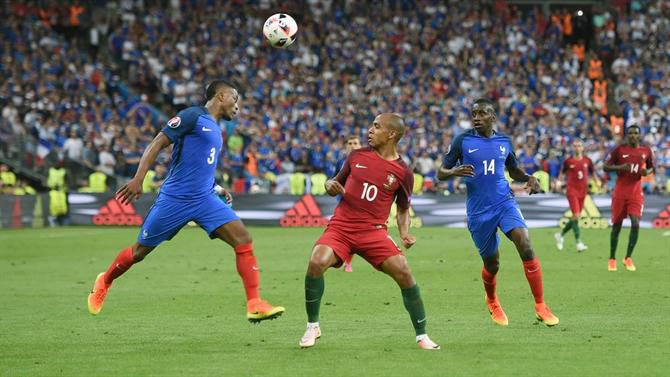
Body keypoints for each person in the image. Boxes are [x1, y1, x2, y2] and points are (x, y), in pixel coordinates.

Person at [87, 79, 285, 322]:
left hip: (204, 199)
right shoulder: (192, 116)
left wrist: (217, 188)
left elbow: (200, 166)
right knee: (139, 252)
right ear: (221, 96)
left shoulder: (216, 129)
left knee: (243, 239)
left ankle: (254, 303)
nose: (237, 106)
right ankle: (105, 280)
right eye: (235, 99)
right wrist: (138, 178)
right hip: (175, 199)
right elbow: (157, 142)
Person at [299, 113, 440, 350]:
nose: (370, 131)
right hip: (341, 227)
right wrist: (328, 185)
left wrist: (404, 233)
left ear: (391, 134)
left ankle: (422, 336)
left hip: (373, 232)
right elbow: (334, 185)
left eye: (376, 127)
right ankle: (313, 326)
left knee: (404, 272)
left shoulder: (403, 172)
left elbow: (403, 208)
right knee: (316, 262)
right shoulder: (357, 156)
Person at [438, 98, 559, 327]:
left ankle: (541, 305)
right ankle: (492, 299)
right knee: (492, 264)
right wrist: (453, 171)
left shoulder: (504, 141)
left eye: (482, 113)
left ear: (492, 117)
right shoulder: (462, 141)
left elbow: (513, 171)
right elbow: (440, 173)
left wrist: (530, 178)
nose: (476, 117)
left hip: (504, 202)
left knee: (525, 244)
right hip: (478, 212)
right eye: (474, 113)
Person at [603, 125, 654, 272]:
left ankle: (628, 257)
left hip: (636, 193)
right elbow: (606, 167)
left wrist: (646, 171)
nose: (632, 136)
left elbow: (651, 168)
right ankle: (612, 258)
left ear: (639, 135)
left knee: (636, 223)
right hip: (620, 193)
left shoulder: (646, 151)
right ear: (627, 135)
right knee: (617, 226)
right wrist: (619, 168)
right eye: (630, 133)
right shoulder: (619, 150)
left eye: (635, 133)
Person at [554, 139, 598, 252]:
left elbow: (593, 172)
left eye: (579, 146)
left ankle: (561, 235)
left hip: (583, 192)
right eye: (575, 146)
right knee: (577, 215)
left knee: (575, 217)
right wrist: (559, 182)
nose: (577, 148)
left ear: (582, 148)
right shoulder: (568, 161)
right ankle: (578, 243)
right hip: (572, 190)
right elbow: (562, 173)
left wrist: (597, 181)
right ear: (573, 148)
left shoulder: (587, 161)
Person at [336, 136, 362, 272]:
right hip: (344, 203)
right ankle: (344, 261)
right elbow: (336, 180)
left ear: (360, 145)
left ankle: (348, 262)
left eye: (355, 143)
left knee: (359, 235)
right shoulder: (340, 162)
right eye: (350, 143)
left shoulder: (367, 161)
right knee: (341, 234)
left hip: (362, 204)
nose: (352, 145)